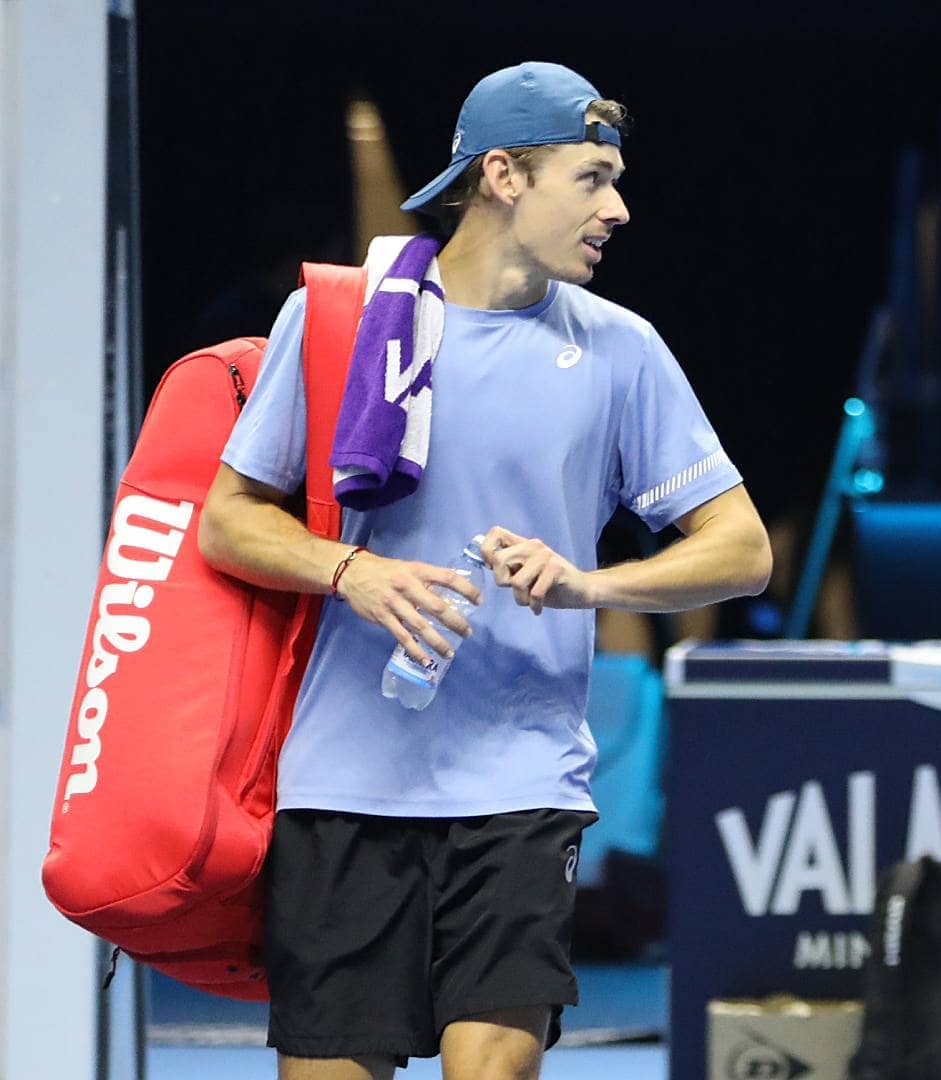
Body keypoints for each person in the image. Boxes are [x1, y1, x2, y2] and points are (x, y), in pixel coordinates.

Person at [200, 61, 772, 1080]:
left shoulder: (622, 350)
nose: (618, 210)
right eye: (593, 179)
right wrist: (350, 571)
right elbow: (228, 521)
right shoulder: (335, 325)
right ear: (504, 176)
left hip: (521, 784)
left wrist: (591, 585)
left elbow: (742, 549)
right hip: (344, 785)